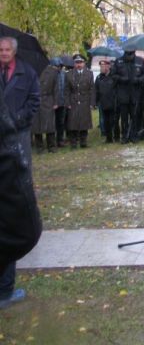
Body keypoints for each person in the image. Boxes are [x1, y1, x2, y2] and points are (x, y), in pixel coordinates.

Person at [0, 36, 41, 309]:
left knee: (12, 206)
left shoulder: (27, 74)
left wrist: (16, 121)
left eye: (5, 49)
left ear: (14, 52)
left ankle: (5, 288)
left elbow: (34, 102)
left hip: (16, 141)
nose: (2, 53)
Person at [111, 47, 144, 143]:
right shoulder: (119, 61)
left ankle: (133, 135)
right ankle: (125, 136)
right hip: (123, 93)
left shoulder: (140, 61)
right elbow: (113, 75)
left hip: (135, 93)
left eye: (131, 53)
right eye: (128, 54)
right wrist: (121, 78)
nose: (130, 56)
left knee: (134, 116)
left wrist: (138, 80)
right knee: (124, 117)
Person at [64, 54, 95, 149]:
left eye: (80, 62)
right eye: (77, 62)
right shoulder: (69, 74)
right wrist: (67, 103)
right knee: (73, 122)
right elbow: (66, 90)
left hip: (85, 100)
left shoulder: (89, 73)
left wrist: (92, 103)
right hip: (73, 100)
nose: (79, 64)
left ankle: (83, 142)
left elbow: (92, 89)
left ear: (84, 63)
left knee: (84, 122)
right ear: (74, 63)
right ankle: (73, 143)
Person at [32, 59, 60, 153]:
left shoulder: (53, 72)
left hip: (48, 100)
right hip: (35, 100)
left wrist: (56, 102)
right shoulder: (32, 70)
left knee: (49, 124)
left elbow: (56, 88)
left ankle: (51, 146)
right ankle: (40, 147)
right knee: (37, 126)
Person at [94, 59, 118, 143]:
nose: (101, 68)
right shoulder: (99, 77)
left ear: (108, 66)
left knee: (113, 121)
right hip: (103, 103)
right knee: (106, 122)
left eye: (103, 66)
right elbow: (96, 90)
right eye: (100, 66)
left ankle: (116, 137)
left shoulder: (114, 77)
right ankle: (109, 138)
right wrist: (95, 102)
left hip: (113, 102)